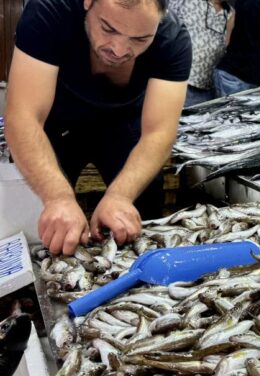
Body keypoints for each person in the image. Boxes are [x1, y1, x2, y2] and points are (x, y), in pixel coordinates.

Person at [4, 0, 191, 256]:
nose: (119, 49)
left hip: (123, 124)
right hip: (54, 122)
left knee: (138, 216)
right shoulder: (50, 10)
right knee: (41, 223)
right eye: (108, 28)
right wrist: (58, 198)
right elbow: (23, 116)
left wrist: (121, 196)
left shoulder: (172, 40)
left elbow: (159, 132)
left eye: (140, 39)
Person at [169, 0, 234, 106]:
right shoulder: (186, 2)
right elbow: (163, 22)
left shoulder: (230, 13)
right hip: (179, 79)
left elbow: (227, 44)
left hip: (206, 86)